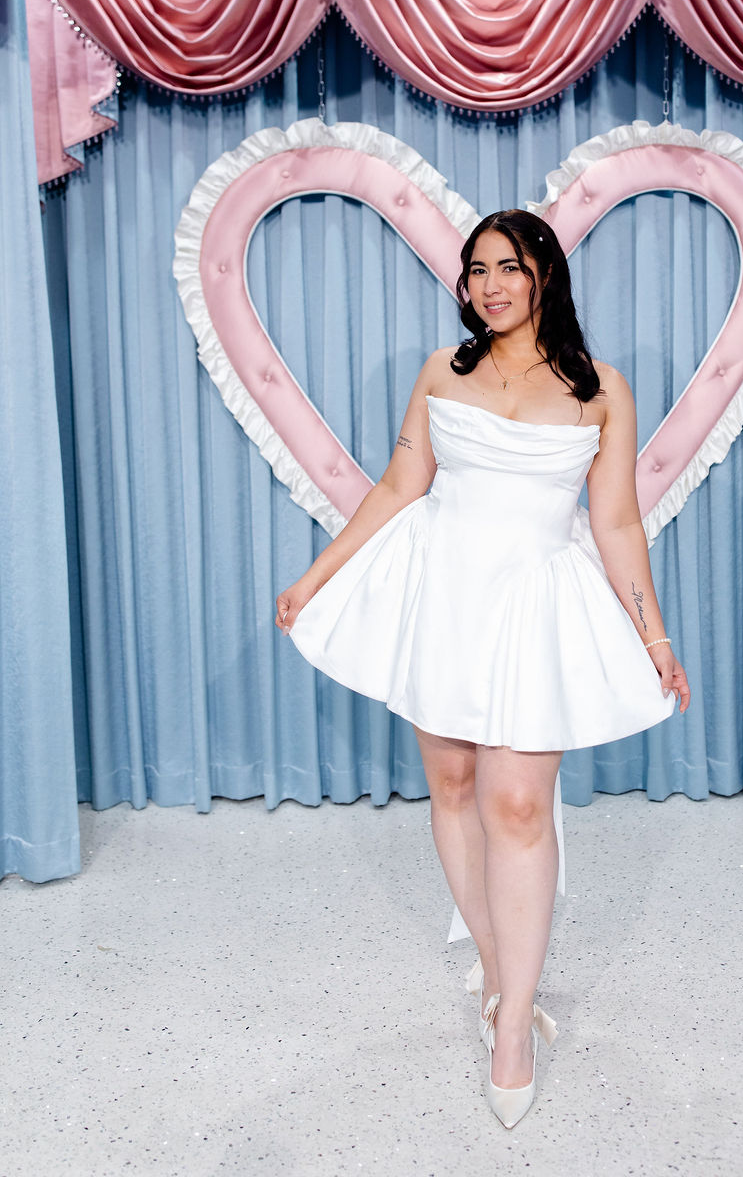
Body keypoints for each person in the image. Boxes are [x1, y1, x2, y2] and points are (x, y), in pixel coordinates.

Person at [275, 209, 689, 1128]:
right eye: (477, 271)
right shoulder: (442, 371)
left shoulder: (601, 389)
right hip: (443, 596)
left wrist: (653, 637)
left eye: (509, 267)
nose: (491, 285)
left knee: (517, 805)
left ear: (545, 275)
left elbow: (617, 524)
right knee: (454, 787)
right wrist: (316, 575)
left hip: (529, 609)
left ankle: (511, 1030)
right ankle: (507, 983)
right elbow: (396, 488)